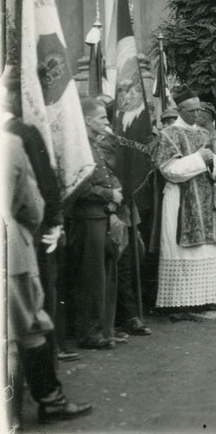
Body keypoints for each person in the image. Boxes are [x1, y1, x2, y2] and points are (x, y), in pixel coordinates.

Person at [3, 129, 92, 424]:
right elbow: (32, 205)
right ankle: (50, 400)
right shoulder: (10, 142)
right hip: (10, 250)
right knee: (30, 326)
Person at [153, 87, 216, 312]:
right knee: (181, 249)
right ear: (179, 110)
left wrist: (213, 162)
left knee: (207, 247)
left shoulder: (206, 134)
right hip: (180, 200)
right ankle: (180, 302)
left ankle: (207, 297)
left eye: (199, 110)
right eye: (191, 111)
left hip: (205, 197)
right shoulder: (169, 134)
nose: (197, 114)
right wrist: (198, 159)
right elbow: (169, 170)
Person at [66, 97, 123, 350]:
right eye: (101, 117)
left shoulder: (95, 146)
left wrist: (115, 193)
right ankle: (89, 332)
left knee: (106, 274)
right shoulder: (79, 149)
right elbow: (80, 187)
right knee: (90, 277)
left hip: (101, 216)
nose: (106, 122)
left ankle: (105, 328)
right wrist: (110, 195)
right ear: (87, 120)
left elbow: (108, 176)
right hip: (87, 218)